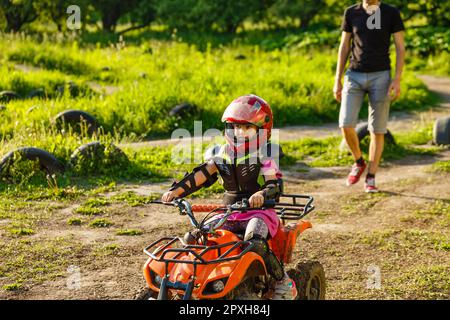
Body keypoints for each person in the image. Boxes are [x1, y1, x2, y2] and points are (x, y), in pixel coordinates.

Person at [161, 94, 297, 300]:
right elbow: (199, 175)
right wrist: (176, 192)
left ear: (262, 129)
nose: (239, 132)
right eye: (235, 127)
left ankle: (283, 281)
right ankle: (195, 282)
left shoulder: (265, 154)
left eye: (247, 127)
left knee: (255, 241)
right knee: (196, 237)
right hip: (230, 212)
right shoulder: (222, 154)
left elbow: (274, 184)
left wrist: (261, 194)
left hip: (258, 212)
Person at [333, 0, 405, 192]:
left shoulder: (391, 13)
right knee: (346, 124)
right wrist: (337, 79)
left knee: (377, 129)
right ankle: (358, 161)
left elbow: (400, 47)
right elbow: (344, 46)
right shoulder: (351, 12)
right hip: (353, 74)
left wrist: (396, 79)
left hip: (381, 76)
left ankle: (371, 177)